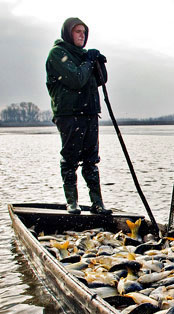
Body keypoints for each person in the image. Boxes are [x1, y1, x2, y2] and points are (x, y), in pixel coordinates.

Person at [46, 17, 111, 215]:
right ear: (68, 33)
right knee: (70, 158)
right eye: (77, 31)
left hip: (90, 113)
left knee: (91, 159)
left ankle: (97, 203)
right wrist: (89, 61)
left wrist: (98, 62)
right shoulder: (58, 54)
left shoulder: (83, 55)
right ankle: (72, 203)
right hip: (69, 114)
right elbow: (76, 79)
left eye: (84, 32)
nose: (82, 35)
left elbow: (100, 80)